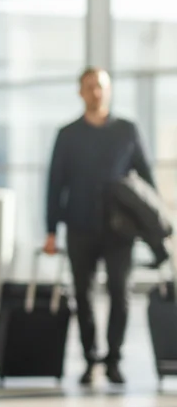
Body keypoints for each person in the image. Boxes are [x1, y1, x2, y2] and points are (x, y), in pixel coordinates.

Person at [45, 67, 153, 386]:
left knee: (121, 294)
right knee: (84, 295)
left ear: (109, 90)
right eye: (90, 87)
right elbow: (55, 184)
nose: (96, 92)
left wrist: (152, 228)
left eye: (101, 86)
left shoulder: (127, 131)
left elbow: (147, 183)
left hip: (121, 230)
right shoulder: (68, 134)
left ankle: (114, 360)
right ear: (80, 92)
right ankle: (91, 358)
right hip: (79, 225)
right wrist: (51, 230)